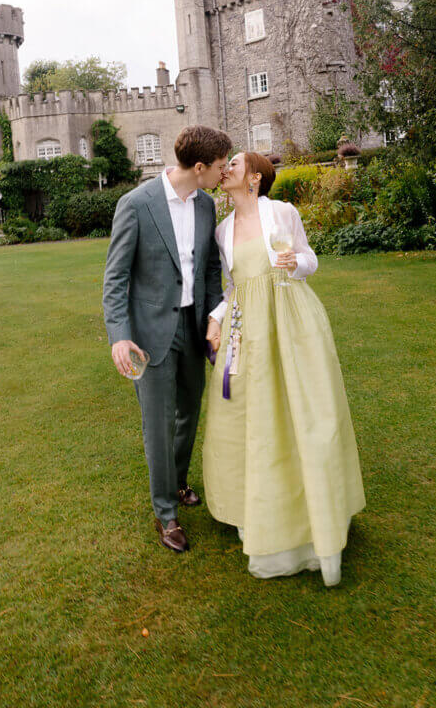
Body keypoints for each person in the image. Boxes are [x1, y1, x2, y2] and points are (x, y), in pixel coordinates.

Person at [204, 151, 365, 586]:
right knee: (254, 418)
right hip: (247, 328)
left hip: (291, 321)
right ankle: (261, 512)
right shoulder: (222, 231)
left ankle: (315, 518)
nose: (226, 168)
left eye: (235, 163)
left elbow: (310, 261)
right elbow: (234, 286)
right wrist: (217, 318)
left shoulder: (282, 212)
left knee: (305, 413)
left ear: (254, 177)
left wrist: (297, 264)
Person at [103, 125, 232, 554]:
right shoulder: (136, 205)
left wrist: (215, 319)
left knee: (189, 413)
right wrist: (120, 337)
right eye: (219, 167)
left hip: (194, 328)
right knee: (157, 425)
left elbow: (211, 271)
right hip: (149, 335)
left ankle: (177, 482)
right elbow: (116, 278)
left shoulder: (207, 205)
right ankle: (166, 514)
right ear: (198, 167)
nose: (223, 173)